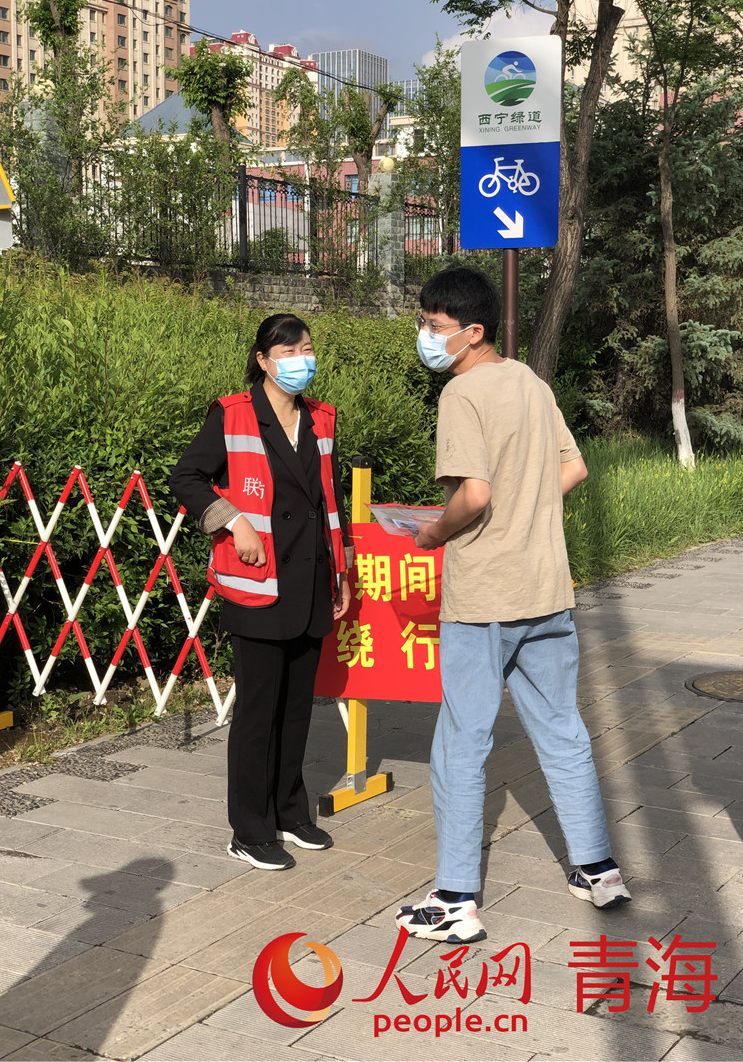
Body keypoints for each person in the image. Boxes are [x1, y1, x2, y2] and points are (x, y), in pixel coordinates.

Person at [395, 267, 630, 944]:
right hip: (546, 587)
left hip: (484, 596)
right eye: (424, 323)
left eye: (434, 326)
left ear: (473, 331)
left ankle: (455, 898)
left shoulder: (462, 393)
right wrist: (528, 508)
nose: (425, 335)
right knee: (561, 728)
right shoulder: (529, 381)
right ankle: (598, 869)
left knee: (461, 740)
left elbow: (473, 495)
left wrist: (432, 533)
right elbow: (573, 466)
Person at [169, 313, 352, 872]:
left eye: (307, 348)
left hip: (311, 579)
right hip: (258, 581)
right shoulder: (232, 414)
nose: (301, 359)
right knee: (257, 712)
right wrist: (233, 520)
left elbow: (331, 498)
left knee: (297, 709)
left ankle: (290, 812)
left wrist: (341, 571)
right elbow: (186, 478)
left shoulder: (321, 418)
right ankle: (249, 830)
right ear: (263, 360)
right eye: (288, 351)